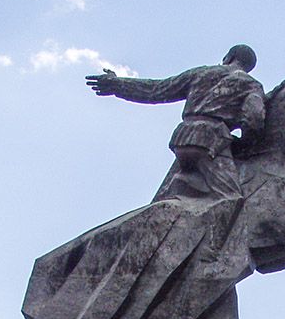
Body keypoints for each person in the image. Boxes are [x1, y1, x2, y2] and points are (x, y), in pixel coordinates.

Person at [86, 44, 265, 202]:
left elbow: (156, 90)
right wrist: (246, 144)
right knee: (231, 200)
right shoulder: (251, 85)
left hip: (184, 138)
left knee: (161, 201)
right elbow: (254, 119)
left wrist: (118, 85)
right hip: (212, 143)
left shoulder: (202, 73)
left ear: (228, 58)